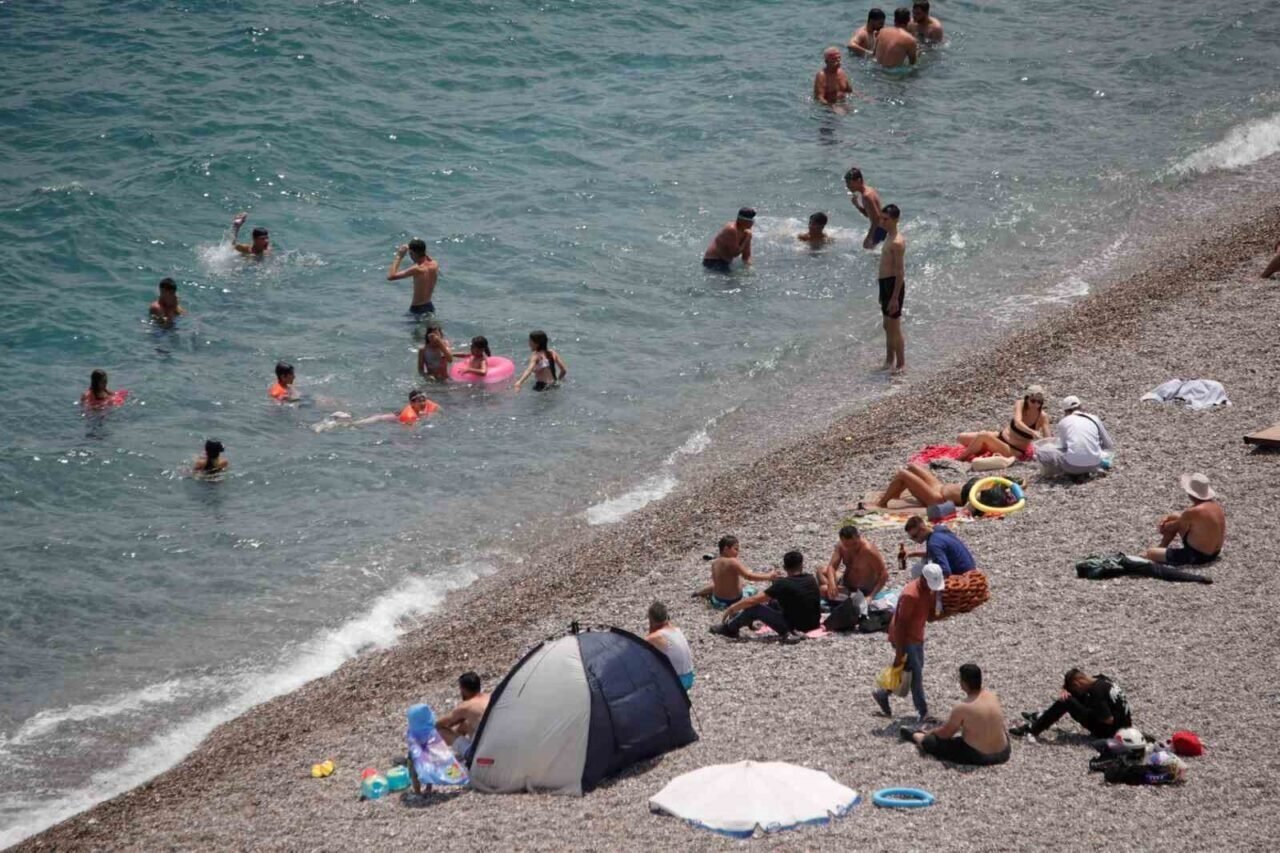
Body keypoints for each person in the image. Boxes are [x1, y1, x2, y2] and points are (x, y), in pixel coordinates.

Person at [873, 563, 942, 722]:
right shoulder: (910, 595)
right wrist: (900, 651)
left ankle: (883, 693)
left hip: (917, 636)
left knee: (908, 669)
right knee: (915, 674)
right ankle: (922, 711)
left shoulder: (928, 591)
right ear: (923, 578)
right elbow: (901, 624)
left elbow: (928, 614)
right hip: (906, 638)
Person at [902, 664, 1010, 766]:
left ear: (964, 683)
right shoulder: (993, 696)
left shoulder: (963, 707)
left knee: (931, 742)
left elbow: (945, 734)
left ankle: (916, 736)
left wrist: (931, 732)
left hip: (980, 755)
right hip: (1004, 752)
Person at [710, 550, 821, 640]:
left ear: (785, 567)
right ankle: (747, 621)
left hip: (794, 627)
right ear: (801, 565)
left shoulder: (783, 584)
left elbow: (753, 601)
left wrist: (732, 608)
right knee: (773, 602)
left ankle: (730, 629)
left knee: (754, 608)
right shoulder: (810, 579)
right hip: (813, 624)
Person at [1009, 669, 1132, 741]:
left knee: (1067, 701)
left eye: (1075, 687)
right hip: (1125, 725)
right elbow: (1074, 687)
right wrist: (1065, 690)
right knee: (1072, 697)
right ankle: (1044, 717)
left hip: (1110, 732)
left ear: (1078, 683)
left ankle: (1032, 730)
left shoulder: (1097, 693)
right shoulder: (1101, 680)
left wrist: (1087, 708)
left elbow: (1108, 719)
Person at [1144, 473, 1225, 566]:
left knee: (1150, 553)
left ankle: (1155, 553)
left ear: (1191, 494)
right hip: (1215, 553)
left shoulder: (1193, 511)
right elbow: (1181, 521)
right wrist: (1170, 520)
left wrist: (1163, 525)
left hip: (1198, 556)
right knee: (1174, 516)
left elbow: (1173, 526)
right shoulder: (1215, 507)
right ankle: (1162, 547)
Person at [957, 385, 1051, 461]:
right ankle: (984, 447)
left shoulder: (1042, 417)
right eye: (1033, 401)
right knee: (961, 438)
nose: (1036, 405)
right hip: (1000, 436)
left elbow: (1048, 439)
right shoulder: (1020, 404)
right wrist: (1032, 431)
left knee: (983, 435)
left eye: (1039, 402)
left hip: (1013, 450)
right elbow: (1018, 422)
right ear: (1027, 399)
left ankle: (961, 458)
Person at [1032, 395, 1114, 478]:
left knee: (1043, 450)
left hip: (1072, 467)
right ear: (1081, 407)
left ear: (1065, 411)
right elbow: (1109, 445)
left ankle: (1052, 473)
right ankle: (1088, 469)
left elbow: (1064, 446)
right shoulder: (1094, 419)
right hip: (1095, 464)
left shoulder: (1063, 422)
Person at [695, 535, 781, 609]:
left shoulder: (715, 563)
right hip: (733, 601)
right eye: (735, 549)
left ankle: (699, 592)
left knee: (722, 582)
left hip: (716, 601)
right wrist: (769, 576)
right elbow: (749, 576)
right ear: (726, 549)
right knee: (752, 589)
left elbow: (717, 582)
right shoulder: (732, 561)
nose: (738, 552)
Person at [878, 463, 981, 513]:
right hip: (940, 487)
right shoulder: (987, 484)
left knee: (903, 474)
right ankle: (896, 494)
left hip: (939, 499)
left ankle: (882, 503)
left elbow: (969, 508)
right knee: (912, 467)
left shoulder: (982, 497)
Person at [820, 525, 888, 600]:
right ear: (842, 541)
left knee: (823, 589)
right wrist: (832, 583)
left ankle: (840, 595)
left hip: (862, 590)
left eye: (854, 544)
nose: (851, 548)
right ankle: (837, 591)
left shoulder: (868, 551)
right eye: (847, 545)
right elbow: (832, 566)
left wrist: (871, 596)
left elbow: (884, 574)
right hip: (846, 582)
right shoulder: (841, 546)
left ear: (859, 537)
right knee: (821, 571)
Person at [877, 203, 906, 373]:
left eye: (886, 219)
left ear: (896, 220)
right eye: (881, 218)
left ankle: (901, 364)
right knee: (887, 325)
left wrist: (895, 298)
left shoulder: (897, 242)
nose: (882, 222)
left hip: (893, 284)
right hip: (884, 284)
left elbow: (900, 272)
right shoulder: (888, 237)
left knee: (894, 327)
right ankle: (889, 359)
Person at [435, 672, 490, 757]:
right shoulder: (490, 697)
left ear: (463, 689)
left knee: (441, 731)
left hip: (481, 755)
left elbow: (440, 724)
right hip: (497, 745)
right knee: (466, 724)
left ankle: (438, 755)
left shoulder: (466, 706)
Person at [645, 601, 694, 690]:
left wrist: (651, 627)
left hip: (678, 682)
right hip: (689, 677)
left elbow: (642, 646)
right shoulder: (676, 630)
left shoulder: (656, 637)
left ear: (651, 620)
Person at [905, 516, 975, 577]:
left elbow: (946, 571)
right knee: (925, 560)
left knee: (917, 570)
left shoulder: (933, 544)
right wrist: (913, 554)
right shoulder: (939, 529)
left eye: (914, 536)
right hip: (971, 568)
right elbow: (935, 552)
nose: (914, 540)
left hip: (962, 576)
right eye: (911, 538)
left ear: (922, 530)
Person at [387, 238, 440, 316]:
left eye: (410, 254)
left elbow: (391, 276)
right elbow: (425, 256)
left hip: (418, 309)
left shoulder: (417, 269)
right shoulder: (435, 264)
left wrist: (399, 256)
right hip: (429, 306)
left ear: (412, 253)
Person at [844, 167, 884, 249]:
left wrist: (870, 236)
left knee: (867, 247)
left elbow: (877, 219)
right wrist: (857, 205)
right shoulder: (868, 191)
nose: (847, 186)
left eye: (849, 183)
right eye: (846, 183)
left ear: (858, 180)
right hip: (882, 227)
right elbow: (870, 215)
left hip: (881, 229)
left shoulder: (867, 196)